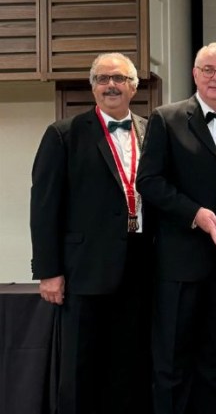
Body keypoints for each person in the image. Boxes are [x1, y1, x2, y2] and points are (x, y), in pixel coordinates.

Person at [136, 42, 216, 414]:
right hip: (178, 265)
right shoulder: (166, 118)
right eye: (208, 69)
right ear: (195, 74)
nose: (215, 76)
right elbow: (149, 181)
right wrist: (194, 213)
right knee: (171, 362)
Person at [30, 52, 151, 414]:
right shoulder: (63, 134)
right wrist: (49, 271)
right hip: (84, 271)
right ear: (93, 87)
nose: (111, 85)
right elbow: (44, 206)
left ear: (134, 87)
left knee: (129, 369)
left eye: (119, 78)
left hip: (141, 269)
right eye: (102, 78)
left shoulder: (152, 130)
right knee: (79, 370)